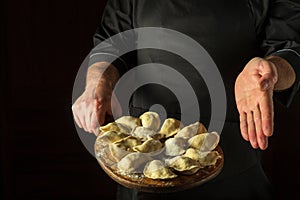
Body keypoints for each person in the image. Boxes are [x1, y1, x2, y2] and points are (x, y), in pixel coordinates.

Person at [72, 0, 300, 199]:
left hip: (232, 155)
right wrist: (97, 83)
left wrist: (272, 71)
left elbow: (290, 48)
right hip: (146, 159)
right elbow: (112, 41)